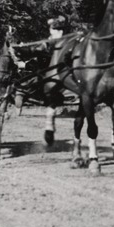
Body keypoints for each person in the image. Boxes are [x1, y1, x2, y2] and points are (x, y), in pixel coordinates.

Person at [44, 15, 71, 148]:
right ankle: (49, 123)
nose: (59, 33)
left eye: (61, 30)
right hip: (48, 71)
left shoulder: (67, 41)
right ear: (51, 30)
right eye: (56, 30)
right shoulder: (48, 41)